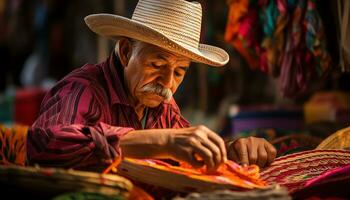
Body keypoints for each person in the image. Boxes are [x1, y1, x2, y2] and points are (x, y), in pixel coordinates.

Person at [27, 0, 276, 172]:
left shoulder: (163, 106)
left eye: (179, 72)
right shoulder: (82, 88)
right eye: (157, 64)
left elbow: (187, 154)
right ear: (125, 52)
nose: (168, 83)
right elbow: (44, 143)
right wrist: (159, 141)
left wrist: (233, 151)